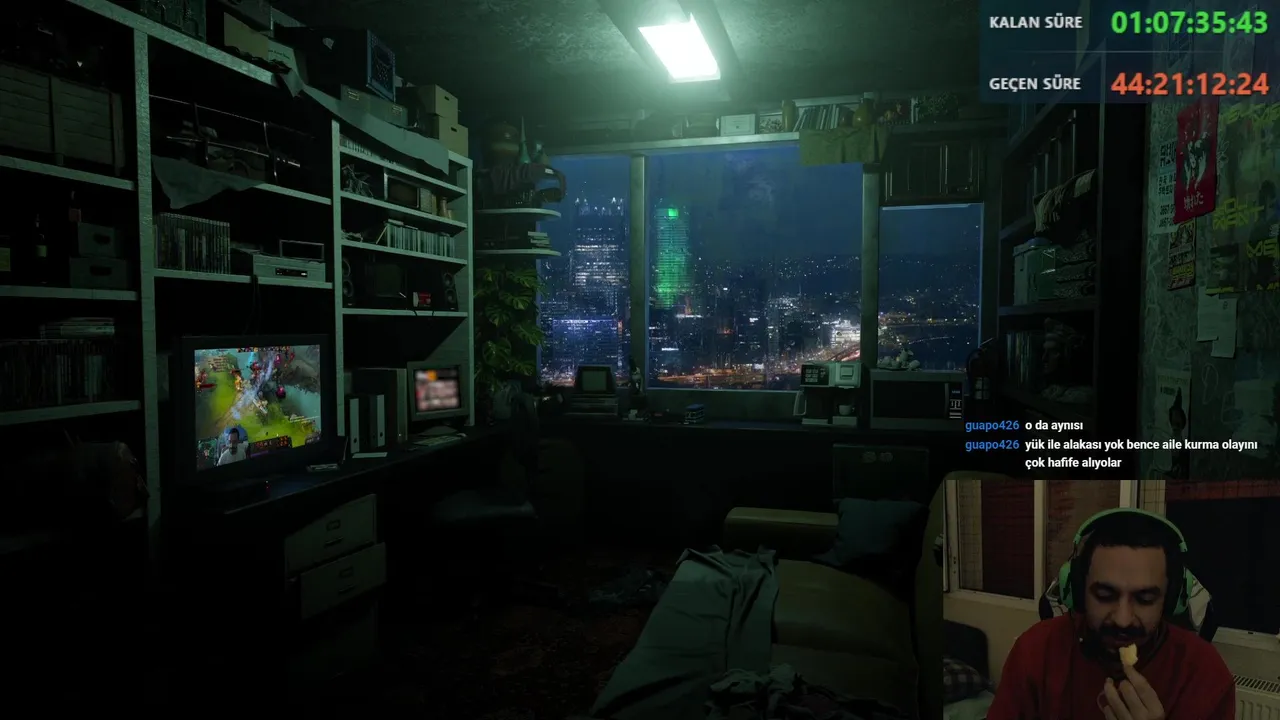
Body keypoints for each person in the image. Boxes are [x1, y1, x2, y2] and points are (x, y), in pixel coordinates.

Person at [986, 509, 1234, 720]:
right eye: (1105, 596)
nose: (1122, 620)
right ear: (1078, 592)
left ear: (1171, 600)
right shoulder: (1035, 651)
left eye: (1145, 599)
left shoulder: (1205, 673)